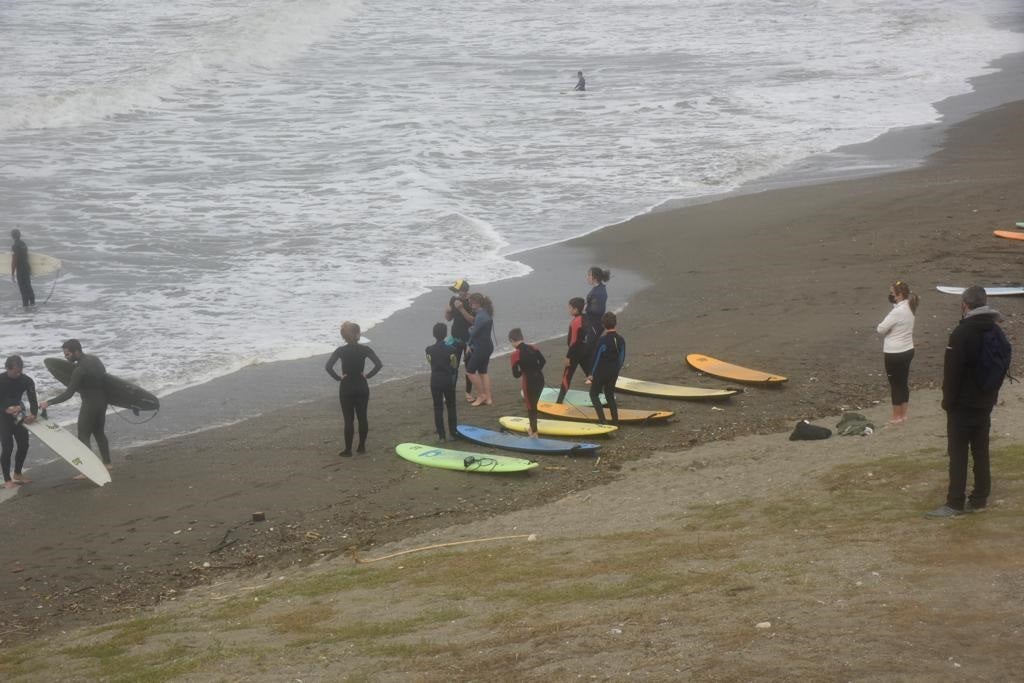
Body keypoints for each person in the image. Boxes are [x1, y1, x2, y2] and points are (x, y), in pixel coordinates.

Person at [926, 286, 1007, 518]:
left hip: (962, 405)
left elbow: (952, 373)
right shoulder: (994, 329)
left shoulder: (961, 334)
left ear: (965, 304)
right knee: (981, 450)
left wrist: (947, 402)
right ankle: (980, 497)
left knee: (958, 453)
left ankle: (955, 503)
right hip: (985, 401)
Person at [40, 339, 111, 469]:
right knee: (99, 432)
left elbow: (69, 393)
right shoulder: (96, 360)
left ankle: (89, 468)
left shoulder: (80, 370)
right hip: (103, 401)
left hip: (90, 404)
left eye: (67, 354)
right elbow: (107, 379)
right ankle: (107, 463)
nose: (66, 357)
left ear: (76, 351)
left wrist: (49, 402)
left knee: (83, 435)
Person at [325, 321, 383, 456]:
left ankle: (348, 450)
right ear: (358, 334)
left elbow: (328, 367)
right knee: (362, 417)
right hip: (362, 385)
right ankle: (361, 447)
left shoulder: (341, 351)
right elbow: (378, 364)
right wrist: (368, 375)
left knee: (348, 419)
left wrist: (338, 378)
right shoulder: (365, 349)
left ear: (343, 336)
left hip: (346, 387)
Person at [876, 279, 919, 424]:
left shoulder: (897, 311)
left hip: (894, 352)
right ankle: (904, 414)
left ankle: (896, 416)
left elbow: (881, 328)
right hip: (908, 349)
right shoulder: (910, 306)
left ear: (899, 295)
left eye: (892, 293)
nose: (891, 296)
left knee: (895, 384)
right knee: (903, 382)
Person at [1, 356, 37, 489]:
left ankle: (17, 473)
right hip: (3, 416)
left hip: (18, 413)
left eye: (20, 371)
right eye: (15, 372)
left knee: (24, 444)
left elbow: (33, 399)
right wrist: (5, 409)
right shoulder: (1, 380)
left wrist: (33, 414)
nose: (18, 374)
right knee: (7, 447)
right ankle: (7, 479)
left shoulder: (26, 380)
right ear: (7, 368)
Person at [587, 312, 625, 425]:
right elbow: (622, 358)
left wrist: (591, 374)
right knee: (609, 395)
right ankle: (615, 422)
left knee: (593, 394)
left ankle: (602, 420)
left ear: (603, 325)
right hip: (614, 371)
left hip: (601, 372)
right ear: (615, 323)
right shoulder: (621, 340)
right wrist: (616, 369)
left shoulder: (602, 341)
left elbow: (596, 359)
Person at [509, 328, 546, 437]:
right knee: (534, 404)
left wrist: (524, 371)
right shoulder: (533, 347)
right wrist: (536, 370)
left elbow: (516, 374)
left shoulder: (515, 354)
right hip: (540, 379)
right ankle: (533, 428)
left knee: (531, 407)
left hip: (529, 382)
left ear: (512, 340)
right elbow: (543, 361)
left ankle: (534, 432)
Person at [426, 322, 458, 442]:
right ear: (445, 334)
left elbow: (430, 362)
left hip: (435, 380)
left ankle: (441, 436)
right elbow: (454, 366)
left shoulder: (429, 350)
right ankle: (453, 432)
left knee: (437, 407)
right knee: (451, 406)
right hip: (447, 380)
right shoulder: (451, 349)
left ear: (434, 334)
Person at [444, 279, 474, 403]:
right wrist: (447, 311)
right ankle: (450, 393)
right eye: (455, 291)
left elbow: (472, 320)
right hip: (455, 338)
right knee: (453, 367)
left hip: (469, 340)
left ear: (464, 291)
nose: (456, 294)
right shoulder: (453, 299)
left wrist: (461, 308)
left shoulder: (472, 301)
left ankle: (468, 393)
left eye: (458, 291)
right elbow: (449, 318)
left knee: (469, 367)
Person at [465, 293, 495, 406]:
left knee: (470, 371)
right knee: (483, 372)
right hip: (487, 346)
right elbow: (478, 332)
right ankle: (488, 398)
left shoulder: (480, 316)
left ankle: (481, 395)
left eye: (471, 303)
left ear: (476, 303)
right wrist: (469, 343)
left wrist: (469, 329)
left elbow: (473, 332)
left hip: (481, 347)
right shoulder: (485, 313)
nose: (470, 305)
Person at [556, 297, 587, 403]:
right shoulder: (586, 318)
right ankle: (601, 393)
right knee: (590, 373)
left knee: (566, 377)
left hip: (575, 353)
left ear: (576, 309)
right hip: (585, 351)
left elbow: (573, 342)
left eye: (569, 308)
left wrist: (568, 357)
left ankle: (559, 401)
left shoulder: (575, 322)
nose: (568, 310)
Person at [584, 266, 611, 370]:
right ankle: (593, 373)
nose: (587, 277)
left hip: (595, 325)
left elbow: (599, 311)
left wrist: (585, 308)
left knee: (590, 350)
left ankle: (592, 374)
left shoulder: (599, 292)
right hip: (593, 324)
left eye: (589, 275)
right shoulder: (598, 288)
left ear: (594, 278)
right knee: (591, 349)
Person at [10, 229, 35, 309]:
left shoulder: (15, 246)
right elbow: (26, 256)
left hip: (20, 269)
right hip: (26, 267)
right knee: (28, 286)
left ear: (12, 236)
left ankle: (25, 306)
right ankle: (33, 304)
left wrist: (13, 273)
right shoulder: (23, 244)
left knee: (23, 288)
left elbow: (14, 260)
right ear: (19, 235)